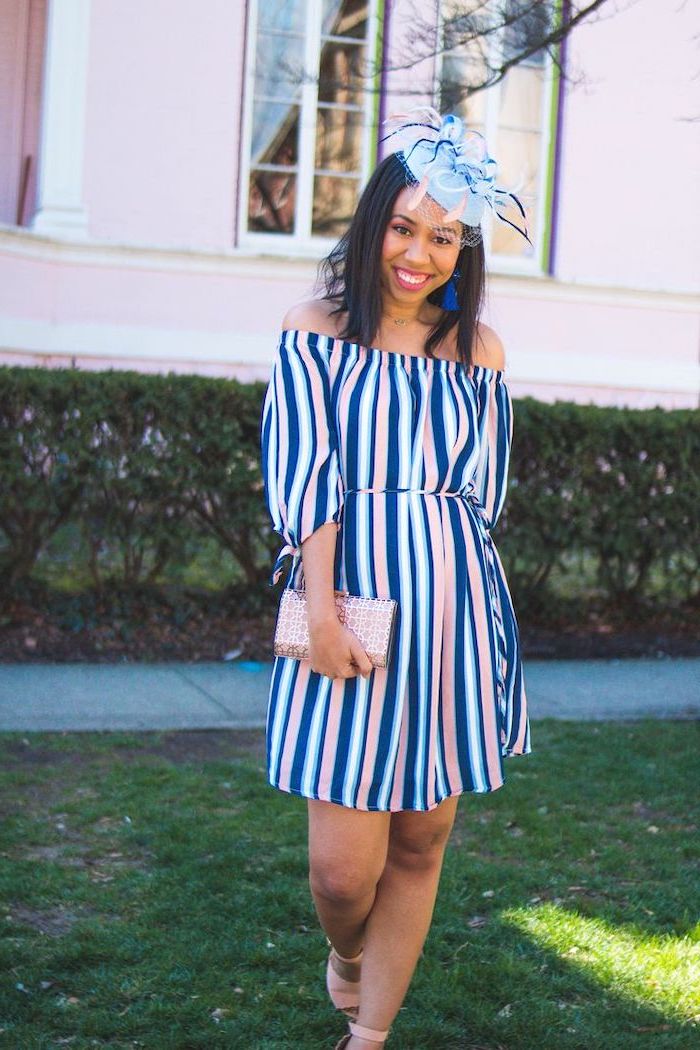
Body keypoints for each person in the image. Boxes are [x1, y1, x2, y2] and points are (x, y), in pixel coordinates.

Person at [259, 106, 532, 1050]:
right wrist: (324, 611)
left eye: (445, 236)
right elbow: (308, 481)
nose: (421, 254)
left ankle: (368, 1036)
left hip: (454, 617)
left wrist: (468, 616)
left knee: (419, 843)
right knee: (343, 875)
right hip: (354, 606)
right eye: (406, 228)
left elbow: (481, 496)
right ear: (375, 226)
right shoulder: (317, 329)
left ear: (466, 247)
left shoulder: (480, 353)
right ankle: (345, 956)